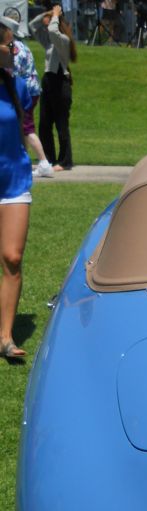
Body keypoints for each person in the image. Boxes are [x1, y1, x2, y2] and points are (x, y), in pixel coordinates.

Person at [0, 20, 32, 359]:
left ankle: (5, 337)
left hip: (14, 182)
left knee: (12, 257)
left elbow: (23, 133)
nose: (14, 50)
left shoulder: (17, 87)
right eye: (9, 45)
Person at [1, 13, 54, 178]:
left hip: (24, 91)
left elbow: (11, 70)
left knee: (27, 128)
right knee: (23, 127)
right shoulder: (22, 45)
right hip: (32, 89)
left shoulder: (13, 48)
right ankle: (24, 158)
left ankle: (43, 162)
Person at [29, 4, 77, 172]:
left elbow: (53, 31)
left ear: (57, 23)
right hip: (48, 80)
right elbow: (32, 25)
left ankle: (65, 161)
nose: (48, 23)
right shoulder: (49, 43)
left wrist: (55, 15)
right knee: (44, 123)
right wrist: (49, 12)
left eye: (51, 20)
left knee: (61, 123)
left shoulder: (63, 40)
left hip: (60, 82)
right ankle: (48, 158)